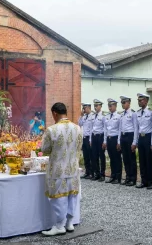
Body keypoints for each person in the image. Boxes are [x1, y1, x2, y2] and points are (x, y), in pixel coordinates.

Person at [41, 102, 82, 236]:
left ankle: (59, 225)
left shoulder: (52, 130)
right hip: (73, 168)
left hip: (58, 170)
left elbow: (45, 150)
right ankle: (69, 223)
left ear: (55, 113)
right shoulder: (77, 128)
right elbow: (79, 147)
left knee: (59, 198)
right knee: (72, 195)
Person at [118, 96, 138, 186]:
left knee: (131, 159)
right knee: (125, 158)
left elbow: (136, 128)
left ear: (129, 103)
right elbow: (120, 128)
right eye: (122, 102)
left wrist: (134, 142)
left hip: (130, 136)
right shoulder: (122, 114)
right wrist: (119, 141)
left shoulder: (133, 114)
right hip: (123, 136)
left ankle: (133, 178)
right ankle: (128, 177)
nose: (122, 104)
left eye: (124, 102)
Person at [136, 93, 152, 189]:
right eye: (138, 100)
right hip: (141, 138)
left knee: (148, 160)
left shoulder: (151, 112)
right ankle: (144, 181)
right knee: (142, 160)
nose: (139, 102)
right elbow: (136, 128)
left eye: (141, 100)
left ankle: (150, 182)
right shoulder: (137, 113)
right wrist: (136, 141)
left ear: (146, 101)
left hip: (148, 137)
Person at [103, 98, 122, 184]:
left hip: (115, 138)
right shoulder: (106, 117)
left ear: (115, 106)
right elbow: (105, 130)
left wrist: (118, 142)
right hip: (109, 139)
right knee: (111, 158)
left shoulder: (119, 116)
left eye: (111, 106)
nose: (110, 108)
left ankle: (118, 177)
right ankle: (113, 175)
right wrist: (105, 141)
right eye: (109, 106)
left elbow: (119, 130)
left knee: (117, 158)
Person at [90, 99, 106, 181]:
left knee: (101, 156)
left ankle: (102, 174)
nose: (95, 107)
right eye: (94, 106)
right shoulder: (93, 116)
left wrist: (104, 141)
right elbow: (91, 128)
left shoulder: (103, 116)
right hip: (94, 136)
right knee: (94, 156)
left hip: (100, 136)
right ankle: (97, 174)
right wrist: (90, 139)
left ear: (100, 106)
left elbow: (105, 128)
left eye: (97, 106)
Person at [78, 103, 93, 179]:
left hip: (89, 138)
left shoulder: (92, 117)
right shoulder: (84, 117)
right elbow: (79, 124)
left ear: (89, 108)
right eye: (83, 108)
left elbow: (91, 129)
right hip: (84, 138)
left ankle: (91, 172)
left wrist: (90, 139)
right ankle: (87, 172)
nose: (84, 110)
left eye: (85, 108)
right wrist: (81, 115)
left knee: (90, 156)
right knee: (86, 156)